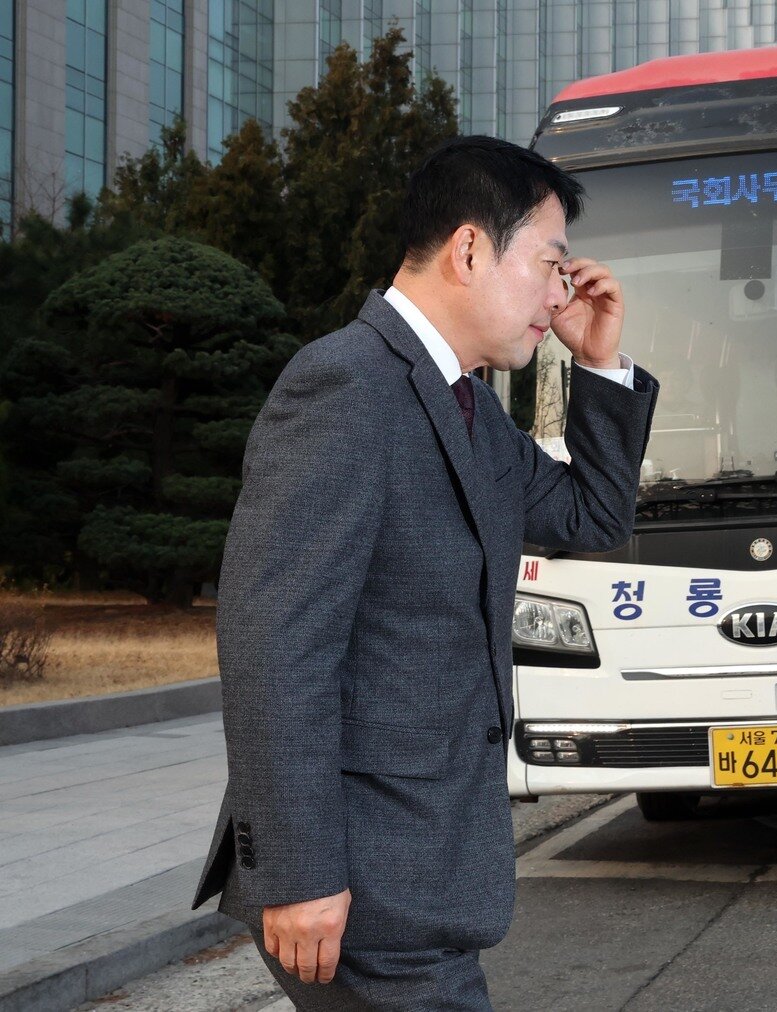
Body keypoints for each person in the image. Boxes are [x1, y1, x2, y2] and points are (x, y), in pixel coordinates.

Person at [191, 135, 659, 1009]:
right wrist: (296, 874)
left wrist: (594, 363)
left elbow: (592, 515)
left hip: (424, 879)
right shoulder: (346, 386)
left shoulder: (468, 406)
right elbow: (272, 643)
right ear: (470, 248)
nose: (560, 292)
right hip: (364, 888)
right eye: (550, 265)